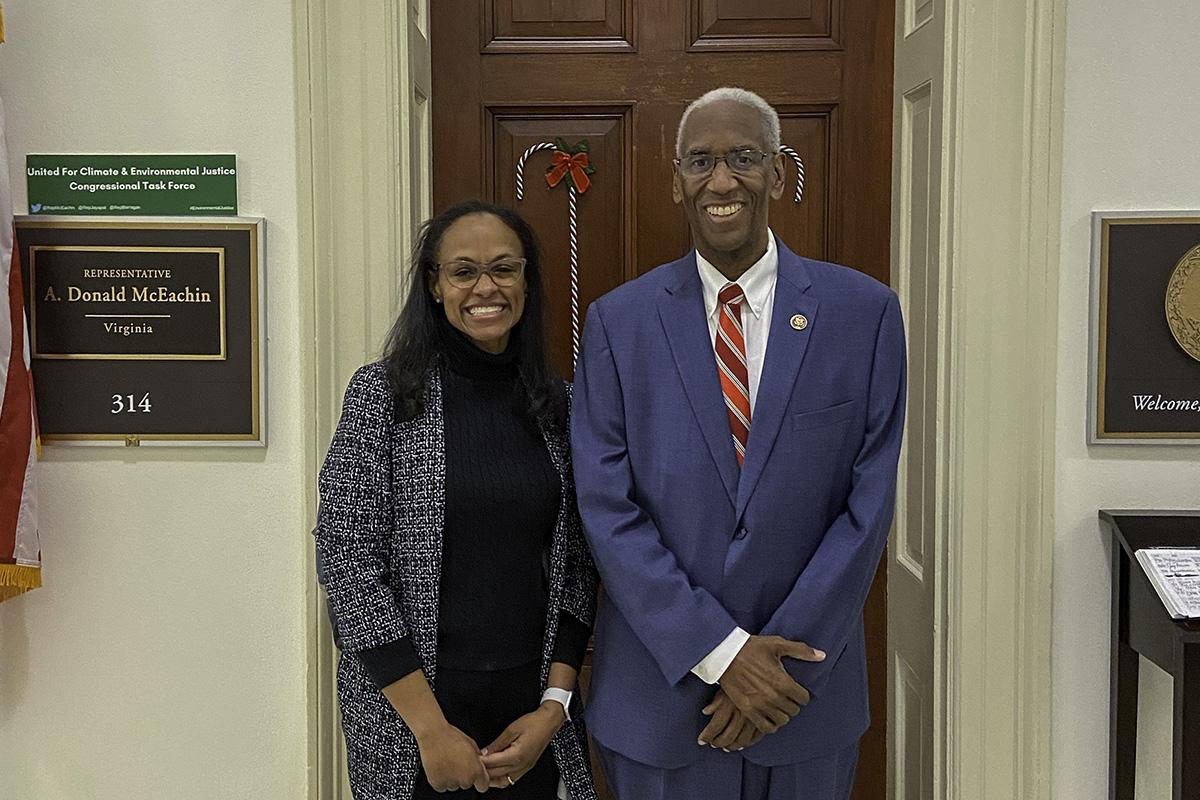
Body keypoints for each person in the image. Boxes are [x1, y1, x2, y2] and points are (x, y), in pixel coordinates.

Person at [570, 87, 907, 800]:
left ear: (779, 173)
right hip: (663, 703)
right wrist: (722, 655)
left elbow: (867, 504)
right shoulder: (616, 324)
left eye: (744, 159)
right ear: (676, 180)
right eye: (701, 161)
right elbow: (606, 508)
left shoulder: (865, 314)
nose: (722, 181)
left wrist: (772, 671)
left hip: (803, 698)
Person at [315, 200, 599, 800]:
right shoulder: (382, 395)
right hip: (410, 716)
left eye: (504, 268)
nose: (485, 287)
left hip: (532, 718)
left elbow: (580, 565)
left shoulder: (562, 406)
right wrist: (429, 728)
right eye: (463, 271)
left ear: (526, 280)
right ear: (435, 285)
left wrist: (553, 709)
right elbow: (346, 560)